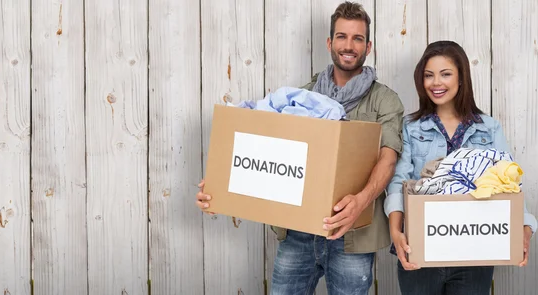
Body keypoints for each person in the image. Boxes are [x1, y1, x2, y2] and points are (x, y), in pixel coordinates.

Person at [197, 2, 405, 294]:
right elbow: (266, 153)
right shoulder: (299, 97)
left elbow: (388, 158)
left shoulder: (386, 101)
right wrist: (221, 185)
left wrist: (362, 199)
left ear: (368, 46)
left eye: (357, 38)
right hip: (298, 234)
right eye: (342, 37)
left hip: (353, 236)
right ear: (330, 42)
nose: (349, 45)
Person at [384, 40, 537, 294]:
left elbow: (510, 181)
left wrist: (525, 228)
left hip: (475, 252)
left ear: (461, 78)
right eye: (429, 75)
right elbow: (398, 182)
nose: (436, 83)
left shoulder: (489, 128)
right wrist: (395, 232)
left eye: (445, 74)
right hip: (419, 248)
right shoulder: (410, 127)